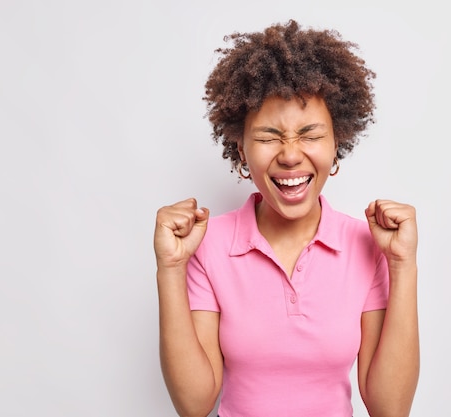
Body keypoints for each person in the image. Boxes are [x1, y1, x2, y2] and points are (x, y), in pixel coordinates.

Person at [153, 19, 419, 417]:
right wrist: (170, 269)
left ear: (336, 144)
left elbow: (389, 408)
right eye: (267, 137)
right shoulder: (207, 246)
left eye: (310, 135)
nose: (291, 155)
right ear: (241, 150)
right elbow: (194, 405)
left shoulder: (368, 245)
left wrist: (403, 264)